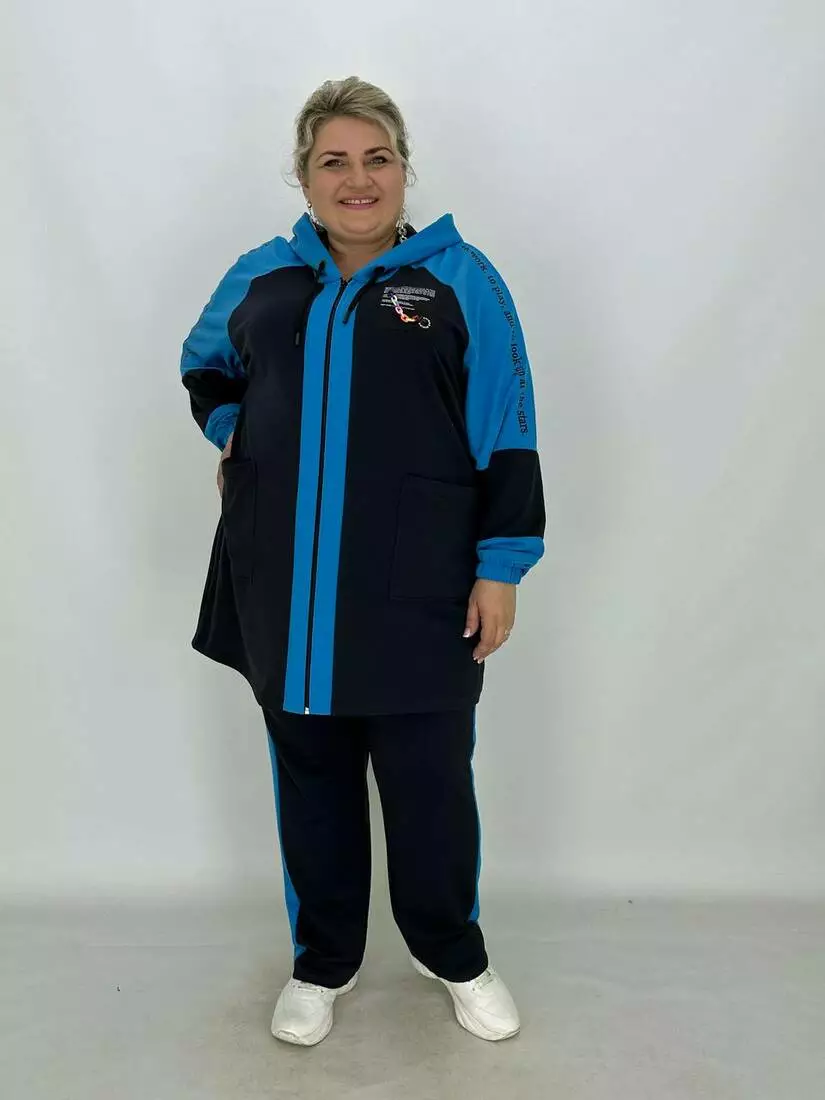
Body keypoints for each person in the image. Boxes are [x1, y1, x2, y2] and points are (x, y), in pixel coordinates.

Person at [179, 76, 546, 1046]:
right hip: (289, 588)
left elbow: (507, 422)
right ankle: (322, 961)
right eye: (333, 161)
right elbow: (204, 364)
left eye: (377, 158)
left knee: (431, 786)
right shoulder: (263, 276)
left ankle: (451, 950)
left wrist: (501, 564)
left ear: (403, 170)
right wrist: (233, 430)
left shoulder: (460, 279)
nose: (358, 179)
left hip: (423, 586)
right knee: (313, 783)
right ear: (303, 177)